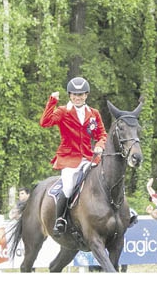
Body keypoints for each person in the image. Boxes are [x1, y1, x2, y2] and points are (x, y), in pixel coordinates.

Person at [39, 77, 107, 236]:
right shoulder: (63, 111)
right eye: (75, 95)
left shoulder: (94, 113)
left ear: (86, 95)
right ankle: (60, 219)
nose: (78, 97)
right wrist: (52, 101)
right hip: (70, 158)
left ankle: (123, 213)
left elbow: (102, 134)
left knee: (108, 178)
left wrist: (99, 145)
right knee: (68, 186)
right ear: (70, 95)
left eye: (81, 94)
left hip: (90, 158)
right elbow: (45, 122)